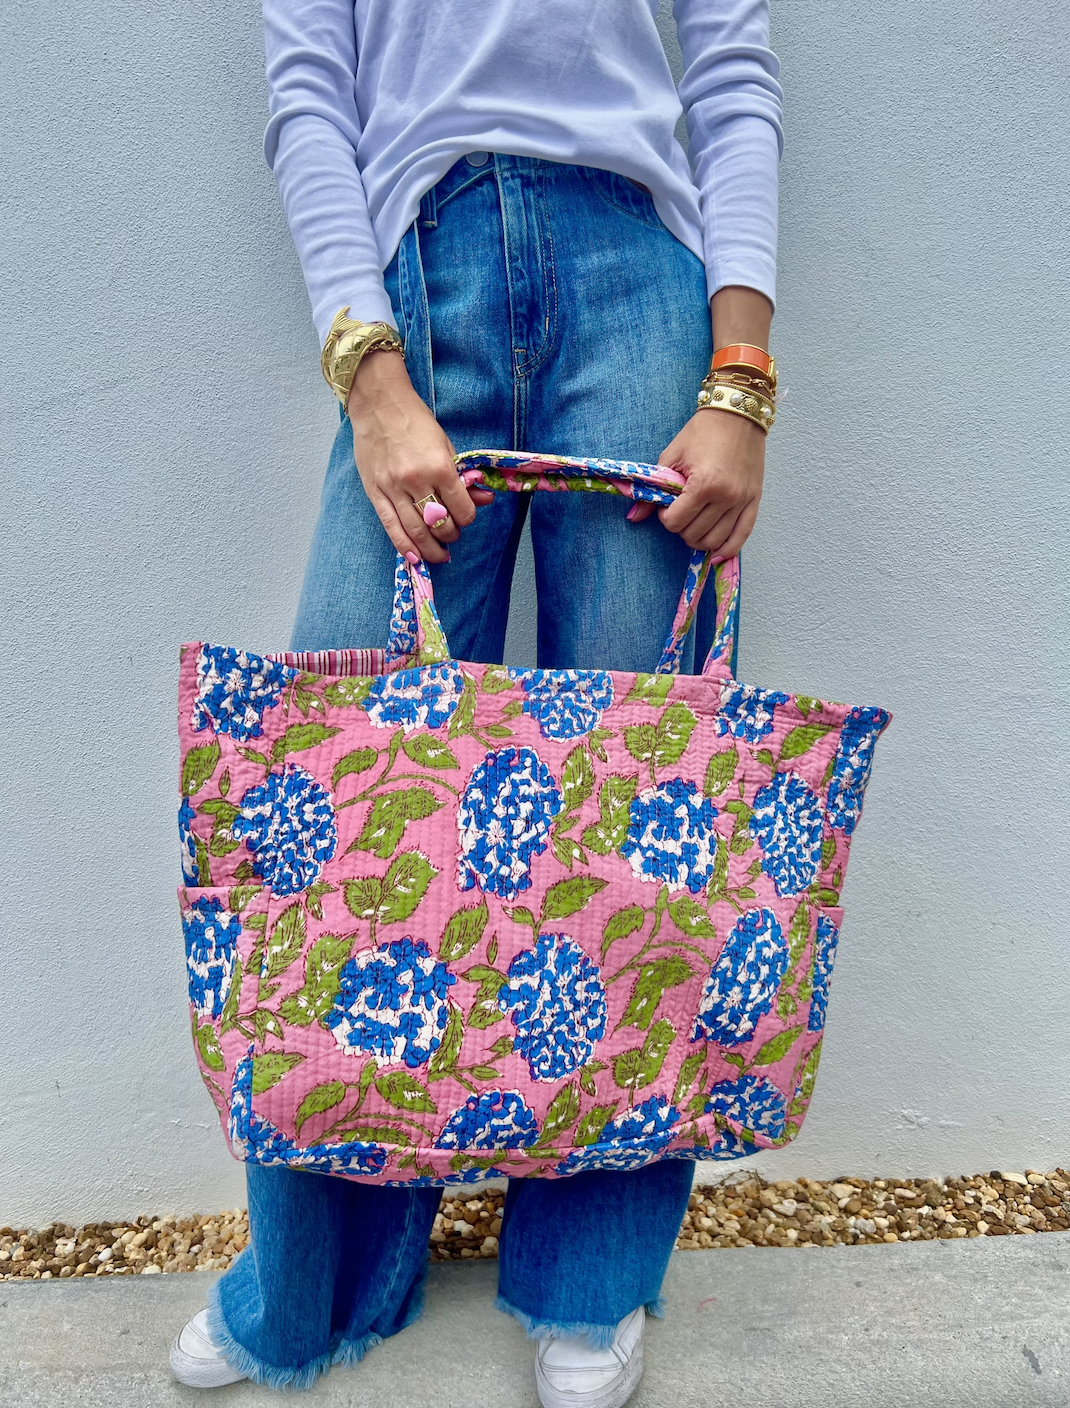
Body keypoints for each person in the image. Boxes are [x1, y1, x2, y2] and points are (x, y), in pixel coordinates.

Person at [170, 0, 783, 1401]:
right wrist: (368, 375)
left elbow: (733, 75)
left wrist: (739, 379)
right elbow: (308, 96)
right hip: (414, 278)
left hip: (639, 281)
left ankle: (587, 1275)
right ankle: (307, 1286)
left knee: (641, 805)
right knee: (330, 809)